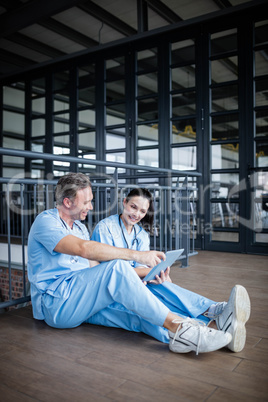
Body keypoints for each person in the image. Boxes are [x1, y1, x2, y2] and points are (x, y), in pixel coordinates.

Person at [27, 173, 248, 355]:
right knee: (118, 269)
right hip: (56, 304)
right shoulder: (46, 221)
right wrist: (138, 257)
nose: (91, 207)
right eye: (87, 202)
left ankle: (204, 327)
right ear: (67, 202)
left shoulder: (80, 228)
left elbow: (93, 268)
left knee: (137, 313)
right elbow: (84, 250)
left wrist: (144, 276)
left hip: (81, 298)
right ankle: (179, 326)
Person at [91, 187, 251, 352]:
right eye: (133, 207)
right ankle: (210, 326)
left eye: (142, 211)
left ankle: (216, 314)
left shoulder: (141, 234)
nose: (137, 214)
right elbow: (108, 273)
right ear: (124, 202)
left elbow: (139, 268)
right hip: (110, 290)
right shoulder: (105, 228)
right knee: (150, 308)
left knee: (162, 285)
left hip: (133, 284)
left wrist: (156, 275)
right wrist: (148, 272)